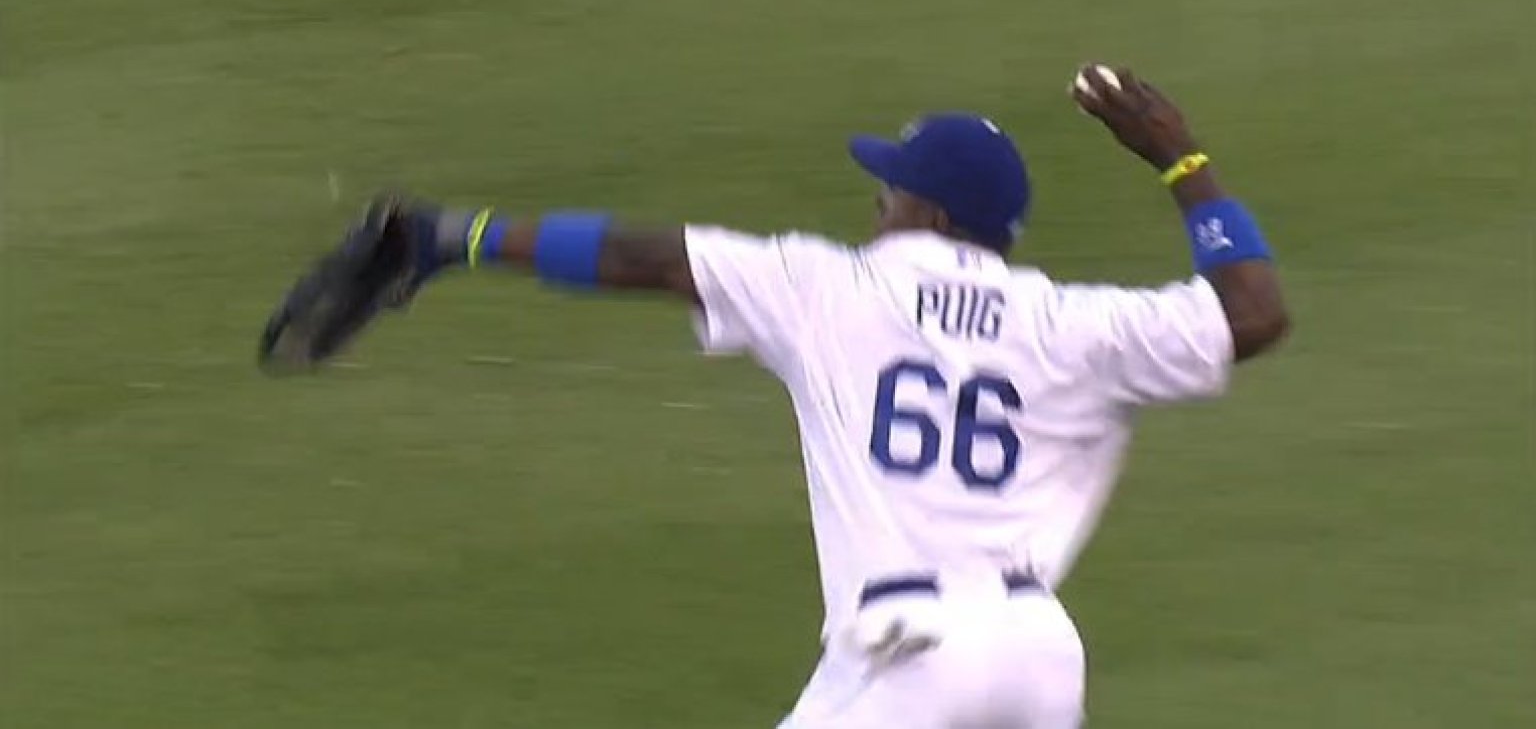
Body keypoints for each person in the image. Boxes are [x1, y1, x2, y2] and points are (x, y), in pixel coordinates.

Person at [275, 64, 1288, 727]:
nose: (874, 201)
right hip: (1038, 658)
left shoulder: (827, 286)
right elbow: (1253, 312)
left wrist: (455, 238)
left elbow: (642, 257)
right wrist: (1180, 158)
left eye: (888, 189)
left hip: (911, 659)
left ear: (927, 211)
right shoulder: (1080, 326)